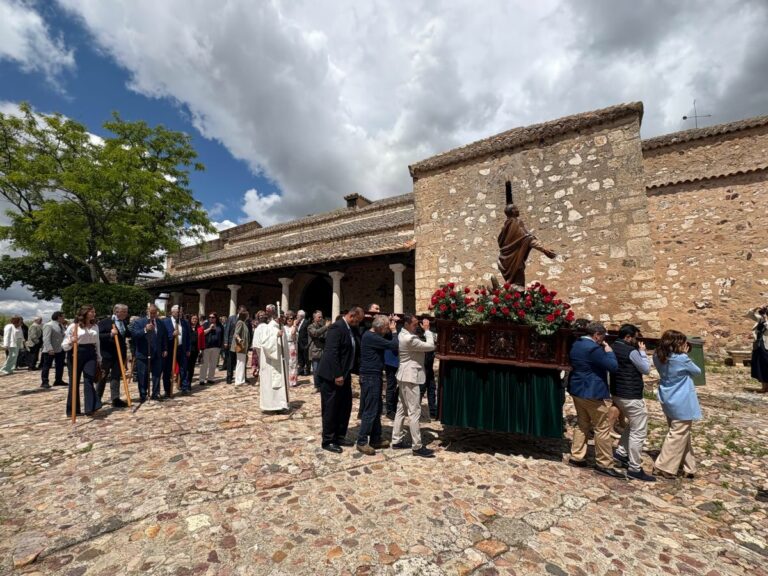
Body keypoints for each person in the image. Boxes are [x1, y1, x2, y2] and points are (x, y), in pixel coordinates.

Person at [567, 322, 623, 478]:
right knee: (602, 427)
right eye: (603, 336)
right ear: (597, 334)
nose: (603, 340)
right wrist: (609, 351)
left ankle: (577, 456)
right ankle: (604, 463)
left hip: (577, 388)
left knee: (582, 423)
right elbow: (612, 366)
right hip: (591, 391)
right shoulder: (593, 348)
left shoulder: (577, 344)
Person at [652, 330, 702, 480]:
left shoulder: (657, 356)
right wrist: (685, 356)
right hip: (682, 400)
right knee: (677, 434)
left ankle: (689, 467)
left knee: (682, 433)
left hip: (668, 397)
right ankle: (663, 466)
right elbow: (697, 371)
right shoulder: (681, 359)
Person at [610, 324, 655, 482]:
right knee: (639, 431)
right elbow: (645, 369)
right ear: (628, 337)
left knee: (633, 425)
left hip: (617, 392)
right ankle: (635, 468)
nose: (637, 341)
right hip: (631, 395)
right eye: (635, 337)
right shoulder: (632, 351)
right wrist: (643, 352)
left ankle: (621, 453)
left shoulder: (614, 346)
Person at [317, 307, 364, 453]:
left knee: (345, 406)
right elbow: (332, 352)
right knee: (331, 408)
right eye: (358, 320)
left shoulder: (352, 329)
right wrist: (337, 375)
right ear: (351, 315)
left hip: (345, 374)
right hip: (332, 375)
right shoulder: (337, 328)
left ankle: (340, 435)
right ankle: (328, 440)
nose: (359, 323)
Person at [390, 314, 437, 458]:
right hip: (410, 376)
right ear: (407, 324)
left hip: (404, 375)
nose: (418, 326)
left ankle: (396, 440)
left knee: (401, 408)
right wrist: (428, 330)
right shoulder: (410, 338)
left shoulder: (402, 334)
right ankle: (417, 446)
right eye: (415, 324)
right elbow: (430, 346)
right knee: (414, 411)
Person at [356, 314, 398, 455]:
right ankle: (362, 441)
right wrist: (394, 331)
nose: (387, 330)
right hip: (370, 377)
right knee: (370, 409)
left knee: (377, 408)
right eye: (386, 328)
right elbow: (393, 344)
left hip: (374, 376)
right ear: (380, 328)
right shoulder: (371, 337)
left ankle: (375, 438)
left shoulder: (372, 335)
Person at [497, 202, 556, 287]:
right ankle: (516, 298)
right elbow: (528, 238)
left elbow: (501, 242)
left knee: (514, 285)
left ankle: (511, 297)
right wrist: (544, 250)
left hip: (505, 260)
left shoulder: (505, 226)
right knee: (518, 285)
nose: (518, 210)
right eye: (516, 208)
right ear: (512, 211)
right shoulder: (516, 223)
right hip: (515, 259)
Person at [62, 305, 102, 416]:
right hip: (76, 353)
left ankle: (90, 407)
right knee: (74, 381)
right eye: (91, 312)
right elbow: (64, 345)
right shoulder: (73, 326)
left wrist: (99, 357)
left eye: (94, 311)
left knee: (89, 379)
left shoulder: (95, 326)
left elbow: (97, 342)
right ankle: (73, 409)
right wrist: (71, 341)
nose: (94, 313)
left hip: (90, 353)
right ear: (85, 313)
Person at [253, 305, 290, 412]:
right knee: (272, 384)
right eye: (283, 317)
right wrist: (276, 337)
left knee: (281, 383)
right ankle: (272, 405)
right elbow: (264, 344)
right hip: (271, 363)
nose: (285, 319)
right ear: (278, 317)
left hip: (280, 362)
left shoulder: (281, 327)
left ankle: (282, 404)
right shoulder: (269, 328)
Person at [131, 304, 167, 402]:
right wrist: (145, 330)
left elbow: (163, 337)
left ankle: (156, 393)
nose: (153, 315)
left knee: (156, 374)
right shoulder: (139, 322)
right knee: (143, 375)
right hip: (143, 353)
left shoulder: (160, 322)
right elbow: (134, 335)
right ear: (147, 311)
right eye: (151, 313)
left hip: (157, 353)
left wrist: (164, 349)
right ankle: (143, 394)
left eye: (155, 313)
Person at [97, 304, 130, 408]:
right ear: (116, 312)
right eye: (123, 311)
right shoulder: (104, 322)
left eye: (126, 311)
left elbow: (126, 334)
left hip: (119, 355)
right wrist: (110, 334)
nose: (125, 314)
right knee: (102, 376)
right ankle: (97, 398)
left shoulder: (124, 322)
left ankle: (115, 398)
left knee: (116, 377)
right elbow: (98, 336)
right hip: (106, 354)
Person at [162, 305, 191, 396]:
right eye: (178, 312)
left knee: (184, 369)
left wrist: (188, 349)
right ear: (172, 312)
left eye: (181, 312)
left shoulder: (185, 322)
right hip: (170, 349)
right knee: (167, 370)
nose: (180, 314)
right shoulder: (165, 322)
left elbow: (188, 337)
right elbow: (163, 336)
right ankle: (167, 390)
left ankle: (184, 387)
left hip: (182, 348)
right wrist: (172, 334)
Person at [41, 311, 67, 388]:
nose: (64, 318)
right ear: (58, 317)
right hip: (50, 350)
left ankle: (58, 380)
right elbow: (46, 338)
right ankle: (45, 381)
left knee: (60, 365)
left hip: (60, 349)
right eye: (63, 316)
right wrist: (49, 348)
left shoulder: (61, 325)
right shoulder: (48, 325)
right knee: (47, 366)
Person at [419, 317, 438, 420]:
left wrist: (428, 331)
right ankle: (416, 411)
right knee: (421, 389)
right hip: (422, 367)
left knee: (431, 389)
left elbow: (435, 340)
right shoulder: (418, 336)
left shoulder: (431, 334)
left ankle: (433, 412)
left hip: (429, 367)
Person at [223, 306, 248, 384]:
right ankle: (229, 377)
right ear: (238, 311)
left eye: (244, 311)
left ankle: (242, 377)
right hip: (232, 343)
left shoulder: (246, 320)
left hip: (240, 344)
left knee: (240, 360)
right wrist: (226, 341)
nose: (243, 312)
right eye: (242, 311)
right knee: (231, 360)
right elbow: (227, 330)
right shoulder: (231, 318)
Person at [307, 310, 330, 392]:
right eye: (319, 317)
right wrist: (326, 327)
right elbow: (315, 333)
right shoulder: (310, 326)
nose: (321, 318)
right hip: (315, 351)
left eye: (321, 316)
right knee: (316, 370)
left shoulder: (323, 326)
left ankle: (323, 385)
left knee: (324, 369)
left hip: (324, 351)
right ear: (314, 318)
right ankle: (317, 386)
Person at [200, 312, 222, 385]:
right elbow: (201, 333)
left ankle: (210, 378)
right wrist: (209, 328)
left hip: (216, 347)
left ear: (216, 318)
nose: (211, 319)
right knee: (204, 364)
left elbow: (221, 335)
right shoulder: (205, 324)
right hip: (206, 347)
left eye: (213, 317)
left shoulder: (220, 325)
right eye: (210, 317)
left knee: (213, 364)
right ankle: (202, 379)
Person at [750, 306, 768, 393]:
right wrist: (756, 307)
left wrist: (766, 319)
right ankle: (764, 387)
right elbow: (749, 313)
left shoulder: (765, 321)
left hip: (766, 346)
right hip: (759, 345)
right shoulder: (760, 319)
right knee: (760, 365)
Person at [233, 309, 249, 386]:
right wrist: (240, 340)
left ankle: (240, 380)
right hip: (240, 346)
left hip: (243, 346)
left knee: (242, 363)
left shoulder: (243, 323)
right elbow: (236, 333)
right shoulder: (240, 322)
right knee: (240, 363)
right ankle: (239, 381)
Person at [187, 314, 204, 386]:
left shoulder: (200, 328)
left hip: (195, 350)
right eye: (193, 319)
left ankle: (189, 383)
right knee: (186, 367)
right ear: (190, 319)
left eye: (196, 319)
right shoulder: (187, 327)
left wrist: (202, 349)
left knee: (191, 367)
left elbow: (202, 339)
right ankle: (183, 382)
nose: (194, 320)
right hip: (187, 350)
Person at [285, 313, 299, 386]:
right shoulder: (284, 327)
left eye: (291, 318)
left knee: (293, 364)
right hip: (286, 346)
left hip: (292, 346)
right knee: (286, 364)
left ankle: (293, 381)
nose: (289, 320)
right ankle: (286, 380)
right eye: (288, 318)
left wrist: (294, 325)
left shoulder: (295, 327)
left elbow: (292, 334)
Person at [296, 310, 310, 376]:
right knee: (300, 358)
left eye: (297, 315)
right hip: (298, 343)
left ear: (301, 316)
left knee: (306, 358)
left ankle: (307, 370)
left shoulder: (307, 322)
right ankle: (301, 370)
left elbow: (308, 333)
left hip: (305, 343)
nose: (296, 316)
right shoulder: (297, 322)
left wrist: (308, 344)